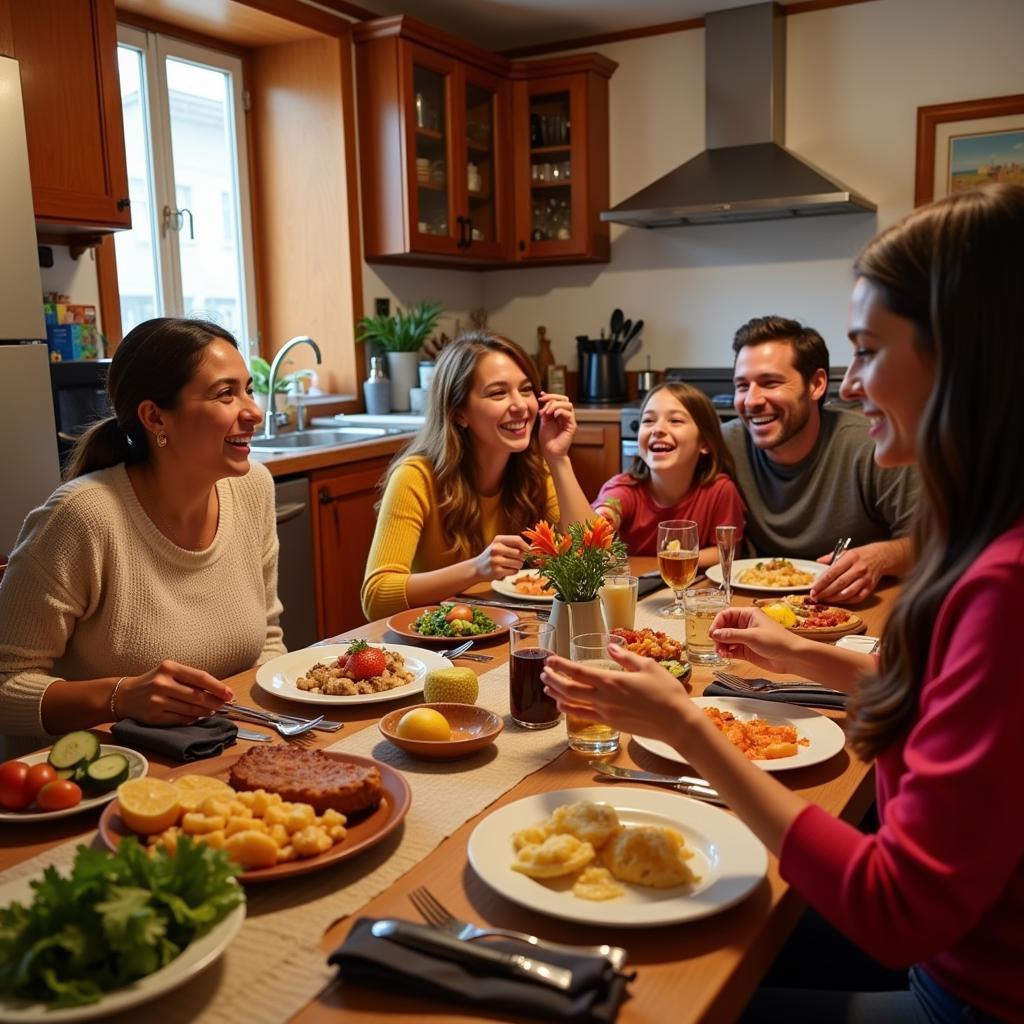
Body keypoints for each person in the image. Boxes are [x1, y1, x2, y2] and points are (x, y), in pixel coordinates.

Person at [542, 185, 1024, 1024]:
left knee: (646, 1000)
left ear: (961, 356)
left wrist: (689, 727)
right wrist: (802, 656)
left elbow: (897, 909)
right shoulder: (991, 534)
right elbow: (955, 717)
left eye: (869, 352)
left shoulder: (1004, 587)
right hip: (962, 947)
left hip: (968, 994)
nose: (853, 386)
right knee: (634, 924)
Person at [0, 318, 285, 750]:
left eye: (247, 388)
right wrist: (118, 697)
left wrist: (271, 730)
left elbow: (267, 640)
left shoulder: (252, 488)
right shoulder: (83, 516)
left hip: (220, 747)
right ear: (155, 417)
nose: (253, 411)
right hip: (96, 775)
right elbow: (6, 684)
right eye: (226, 394)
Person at [361, 330, 594, 620]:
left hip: (512, 632)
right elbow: (376, 597)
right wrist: (477, 568)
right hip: (439, 644)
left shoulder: (535, 469)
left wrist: (558, 459)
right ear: (460, 413)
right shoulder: (415, 478)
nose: (521, 406)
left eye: (525, 390)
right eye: (498, 393)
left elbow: (596, 561)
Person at [723, 315, 919, 603]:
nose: (751, 401)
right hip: (752, 607)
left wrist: (883, 557)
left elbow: (937, 543)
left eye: (770, 382)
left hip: (854, 613)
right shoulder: (726, 443)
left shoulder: (873, 446)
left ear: (816, 384)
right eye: (742, 386)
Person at [592, 382, 745, 565]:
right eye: (648, 420)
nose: (657, 429)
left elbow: (727, 552)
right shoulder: (625, 489)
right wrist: (605, 516)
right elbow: (606, 513)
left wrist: (669, 563)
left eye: (675, 421)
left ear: (705, 443)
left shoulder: (720, 491)